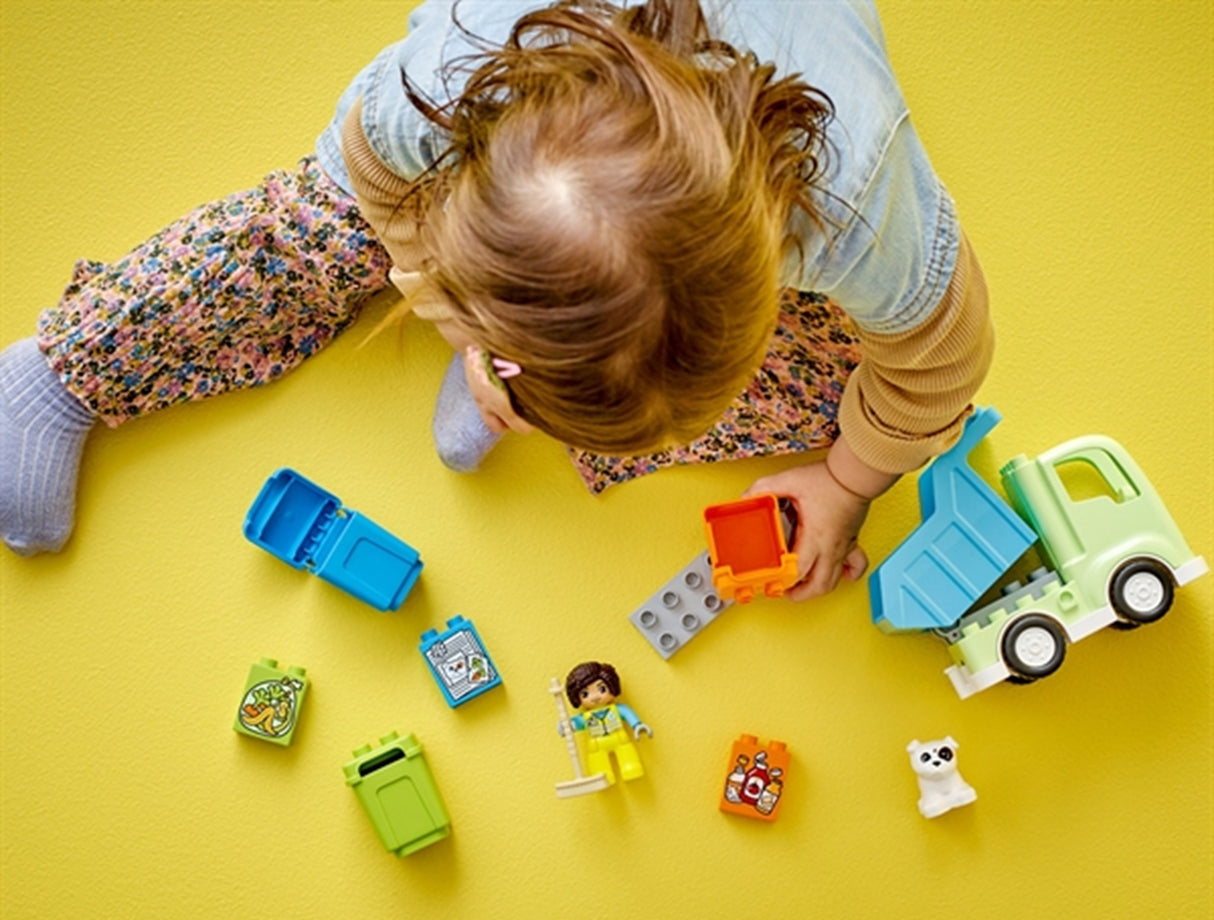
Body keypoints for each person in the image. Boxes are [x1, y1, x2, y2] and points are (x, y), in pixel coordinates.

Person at [0, 0, 992, 602]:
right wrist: (445, 299)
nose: (506, 400)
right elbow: (378, 190)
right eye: (506, 370)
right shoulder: (428, 101)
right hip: (473, 160)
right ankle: (59, 372)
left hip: (718, 186)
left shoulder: (856, 213)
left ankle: (562, 358)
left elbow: (938, 360)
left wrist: (844, 483)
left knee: (872, 411)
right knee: (306, 225)